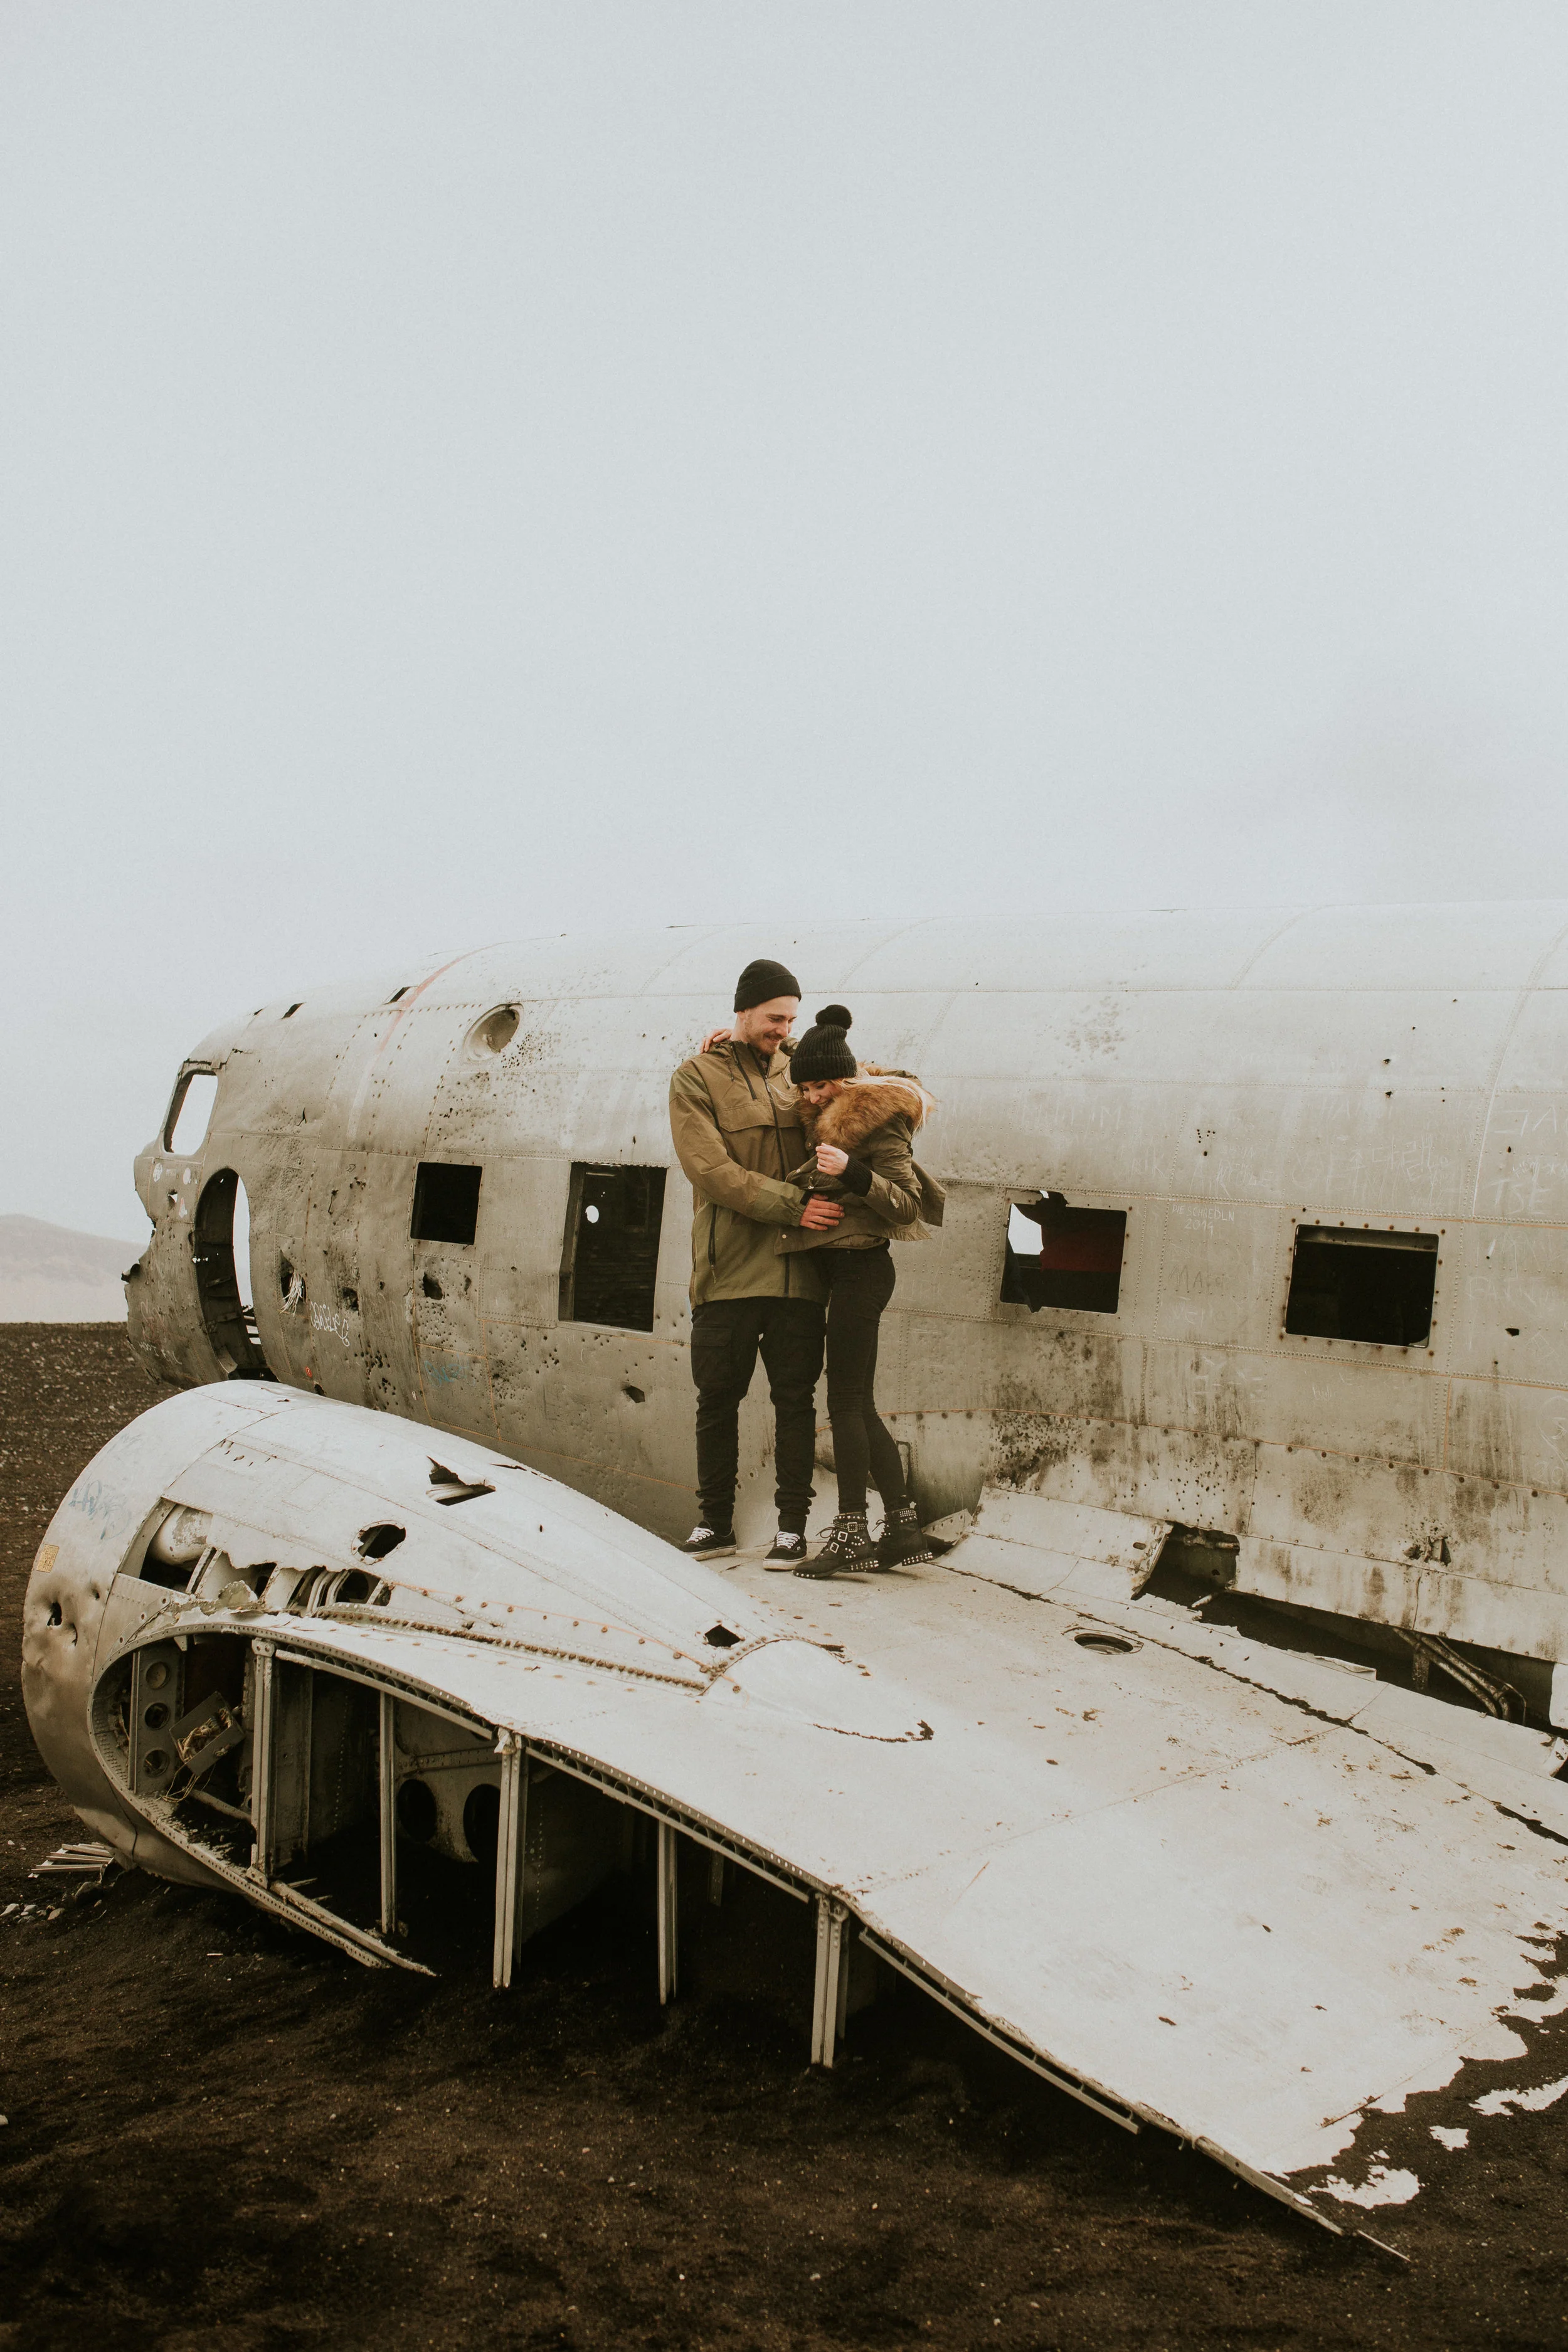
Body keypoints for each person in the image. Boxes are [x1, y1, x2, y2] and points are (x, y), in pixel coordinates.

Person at [668, 959, 844, 1567]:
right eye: (774, 1018)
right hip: (728, 1273)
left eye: (790, 1019)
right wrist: (795, 1207)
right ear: (740, 1012)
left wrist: (799, 1048)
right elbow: (709, 1170)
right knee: (716, 1403)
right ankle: (712, 1523)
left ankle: (791, 1529)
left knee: (794, 1403)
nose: (782, 1028)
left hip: (798, 1272)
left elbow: (880, 1086)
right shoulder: (695, 1077)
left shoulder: (804, 1071)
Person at [776, 1005, 943, 1576]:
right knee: (859, 1403)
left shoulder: (879, 1121)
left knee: (844, 1402)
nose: (811, 1096)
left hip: (864, 1270)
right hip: (840, 1270)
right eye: (804, 1086)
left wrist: (852, 1171)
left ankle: (852, 1534)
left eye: (820, 1086)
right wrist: (732, 1040)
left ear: (845, 1082)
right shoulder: (820, 1095)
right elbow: (805, 1057)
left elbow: (906, 1203)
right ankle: (900, 1528)